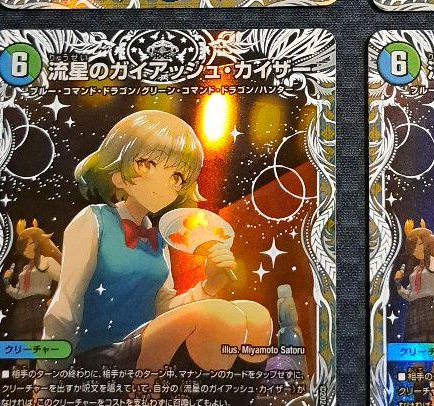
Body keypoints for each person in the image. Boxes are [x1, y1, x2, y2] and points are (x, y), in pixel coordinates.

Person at [42, 110, 272, 372]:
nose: (167, 181)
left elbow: (165, 309)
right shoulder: (93, 220)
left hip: (146, 345)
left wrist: (210, 286)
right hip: (98, 355)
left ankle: (230, 398)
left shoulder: (158, 241)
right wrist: (46, 382)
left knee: (255, 317)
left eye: (178, 177)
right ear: (117, 172)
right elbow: (65, 306)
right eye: (147, 163)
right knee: (223, 316)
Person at [2, 218, 62, 343]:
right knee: (22, 342)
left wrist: (54, 299)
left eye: (29, 245)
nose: (26, 250)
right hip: (22, 309)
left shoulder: (46, 261)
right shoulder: (25, 269)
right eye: (23, 248)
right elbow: (19, 294)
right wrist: (7, 282)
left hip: (40, 305)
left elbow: (64, 279)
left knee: (43, 340)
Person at [393, 220, 434, 342]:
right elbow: (410, 295)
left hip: (432, 308)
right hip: (414, 311)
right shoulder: (416, 270)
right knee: (414, 346)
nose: (415, 250)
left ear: (427, 244)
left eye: (419, 245)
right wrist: (398, 284)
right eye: (413, 247)